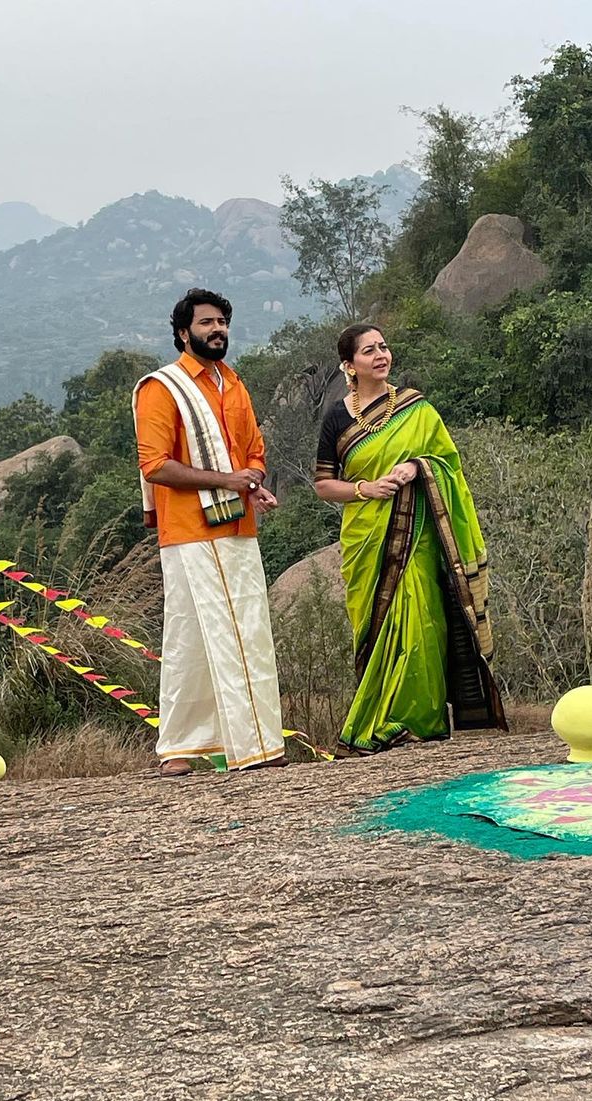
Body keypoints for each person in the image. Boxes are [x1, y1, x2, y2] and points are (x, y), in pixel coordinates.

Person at [314, 323, 506, 755]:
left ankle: (419, 721)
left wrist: (418, 467)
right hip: (366, 537)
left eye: (383, 346)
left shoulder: (416, 408)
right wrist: (367, 488)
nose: (381, 355)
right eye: (369, 351)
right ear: (349, 365)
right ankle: (377, 718)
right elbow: (324, 485)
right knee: (377, 629)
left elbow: (448, 462)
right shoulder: (338, 418)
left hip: (416, 534)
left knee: (422, 621)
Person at [133, 288, 286, 778]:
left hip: (238, 524)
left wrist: (254, 482)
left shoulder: (233, 383)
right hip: (192, 531)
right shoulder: (163, 388)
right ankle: (255, 745)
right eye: (206, 323)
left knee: (195, 635)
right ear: (183, 332)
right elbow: (155, 465)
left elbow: (253, 450)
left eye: (222, 321)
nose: (216, 329)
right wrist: (228, 481)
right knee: (231, 632)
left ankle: (181, 746)